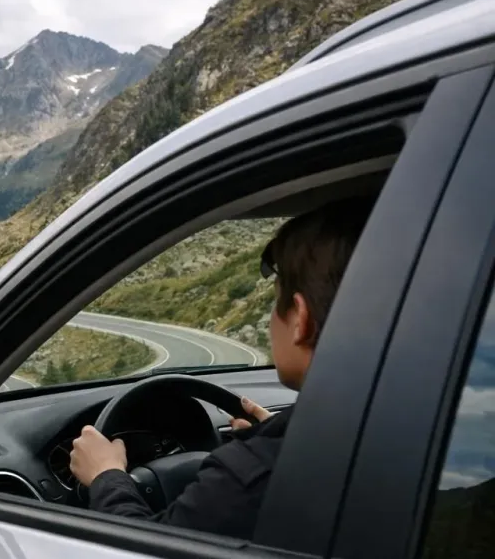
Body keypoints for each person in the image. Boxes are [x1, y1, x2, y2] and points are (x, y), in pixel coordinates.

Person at [69, 195, 373, 539]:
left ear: (300, 319)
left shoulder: (254, 476)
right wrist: (280, 432)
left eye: (276, 302)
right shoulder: (393, 426)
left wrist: (106, 475)